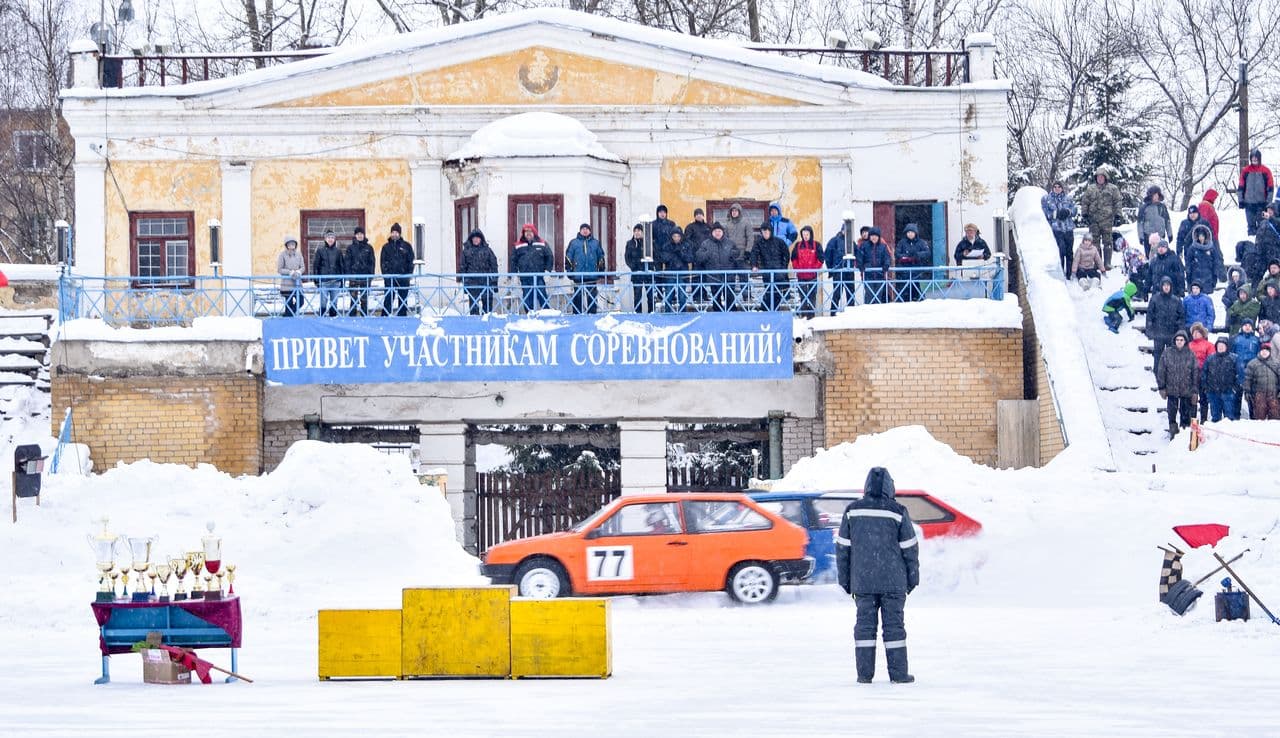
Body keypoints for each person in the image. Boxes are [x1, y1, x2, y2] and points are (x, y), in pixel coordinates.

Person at [836, 467, 920, 685]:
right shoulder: (897, 511)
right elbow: (910, 548)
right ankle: (899, 675)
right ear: (890, 487)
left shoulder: (852, 511)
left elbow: (843, 549)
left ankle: (864, 675)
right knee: (894, 628)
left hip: (862, 582)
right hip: (894, 582)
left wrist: (845, 581)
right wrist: (912, 579)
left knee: (864, 627)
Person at [694, 222, 745, 311]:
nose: (717, 233)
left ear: (722, 232)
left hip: (728, 277)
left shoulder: (729, 243)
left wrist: (734, 254)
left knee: (730, 298)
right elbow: (698, 256)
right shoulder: (706, 243)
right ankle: (717, 318)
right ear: (712, 232)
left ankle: (731, 317)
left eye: (719, 231)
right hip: (713, 277)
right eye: (715, 231)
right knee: (716, 300)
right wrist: (707, 254)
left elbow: (737, 254)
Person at [1157, 330, 1199, 437]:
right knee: (1171, 413)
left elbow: (1195, 372)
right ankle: (1173, 432)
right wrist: (1161, 387)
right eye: (1177, 340)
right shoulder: (1167, 352)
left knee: (1185, 414)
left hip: (1186, 390)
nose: (1179, 342)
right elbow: (1161, 370)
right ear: (1174, 340)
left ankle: (1183, 434)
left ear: (1185, 341)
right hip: (1171, 390)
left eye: (1182, 340)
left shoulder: (1191, 354)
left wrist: (1195, 390)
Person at [1079, 169, 1122, 268]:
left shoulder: (1113, 189)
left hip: (1107, 220)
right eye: (1098, 177)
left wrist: (1118, 215)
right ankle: (1098, 263)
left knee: (1108, 242)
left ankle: (1107, 263)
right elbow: (1085, 202)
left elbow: (1118, 202)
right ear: (1096, 178)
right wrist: (1084, 214)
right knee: (1094, 242)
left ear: (1105, 178)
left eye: (1102, 177)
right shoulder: (1090, 189)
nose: (1100, 178)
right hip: (1093, 220)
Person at [1147, 276, 1185, 373]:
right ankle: (1157, 372)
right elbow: (1150, 316)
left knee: (1171, 355)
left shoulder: (1176, 300)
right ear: (1161, 286)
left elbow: (1181, 317)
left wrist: (1180, 331)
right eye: (1164, 285)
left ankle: (1170, 372)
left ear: (1171, 286)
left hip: (1172, 333)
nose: (1166, 287)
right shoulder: (1155, 299)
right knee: (1158, 355)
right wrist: (1150, 330)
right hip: (1158, 332)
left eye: (1168, 285)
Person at [512, 223, 553, 313]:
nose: (528, 233)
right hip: (525, 277)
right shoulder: (518, 245)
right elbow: (513, 261)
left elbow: (549, 257)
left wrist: (548, 271)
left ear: (534, 232)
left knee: (543, 297)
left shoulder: (542, 243)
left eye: (530, 231)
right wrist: (514, 274)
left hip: (539, 277)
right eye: (526, 231)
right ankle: (529, 317)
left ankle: (547, 316)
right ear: (523, 233)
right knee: (527, 299)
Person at [565, 223, 605, 315]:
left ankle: (592, 315)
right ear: (580, 230)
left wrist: (601, 271)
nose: (585, 230)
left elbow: (601, 257)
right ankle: (577, 315)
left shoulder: (595, 243)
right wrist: (569, 272)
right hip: (578, 275)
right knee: (578, 297)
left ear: (590, 231)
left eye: (587, 228)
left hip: (592, 276)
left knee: (592, 297)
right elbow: (568, 257)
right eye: (583, 228)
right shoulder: (574, 242)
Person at [751, 223, 791, 311]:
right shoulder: (759, 243)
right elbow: (754, 254)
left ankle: (773, 310)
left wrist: (783, 268)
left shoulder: (779, 241)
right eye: (763, 232)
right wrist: (754, 265)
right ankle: (767, 310)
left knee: (778, 293)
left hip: (779, 272)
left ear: (770, 231)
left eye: (766, 232)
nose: (765, 234)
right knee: (769, 292)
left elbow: (786, 255)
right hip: (767, 272)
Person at [1041, 181, 1077, 276]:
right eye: (1055, 187)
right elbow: (1045, 213)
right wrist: (1055, 214)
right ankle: (1060, 273)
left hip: (1068, 228)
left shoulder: (1068, 198)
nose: (1057, 189)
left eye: (1059, 187)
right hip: (1057, 229)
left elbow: (1074, 210)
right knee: (1061, 251)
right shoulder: (1047, 199)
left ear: (1062, 188)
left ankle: (1069, 274)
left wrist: (1068, 212)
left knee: (1069, 251)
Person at [459, 228, 498, 315]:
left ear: (481, 239)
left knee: (487, 306)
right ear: (471, 239)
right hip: (472, 282)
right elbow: (462, 266)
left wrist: (494, 281)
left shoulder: (487, 250)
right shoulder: (466, 251)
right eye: (474, 237)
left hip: (486, 281)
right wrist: (463, 280)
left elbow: (494, 265)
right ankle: (474, 324)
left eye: (478, 237)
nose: (476, 239)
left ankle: (487, 323)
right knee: (473, 307)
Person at [380, 223, 415, 317]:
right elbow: (383, 262)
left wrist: (408, 275)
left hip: (403, 278)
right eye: (393, 232)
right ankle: (385, 317)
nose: (394, 234)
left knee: (403, 299)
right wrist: (386, 276)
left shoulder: (407, 246)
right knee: (388, 298)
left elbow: (411, 261)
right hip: (390, 278)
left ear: (399, 234)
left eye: (396, 232)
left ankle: (402, 317)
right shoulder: (386, 247)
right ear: (391, 233)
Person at [826, 225, 863, 314]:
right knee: (837, 293)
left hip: (849, 271)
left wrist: (860, 264)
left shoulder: (851, 242)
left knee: (851, 293)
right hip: (838, 271)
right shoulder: (834, 241)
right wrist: (831, 269)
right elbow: (827, 255)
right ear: (842, 230)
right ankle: (833, 312)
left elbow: (857, 254)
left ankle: (850, 313)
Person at [1202, 337, 1240, 422]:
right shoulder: (1210, 358)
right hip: (1213, 392)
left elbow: (1239, 375)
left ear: (1227, 346)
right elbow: (1204, 373)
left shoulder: (1234, 358)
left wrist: (1235, 388)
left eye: (1223, 345)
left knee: (1229, 417)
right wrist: (1206, 388)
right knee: (1215, 416)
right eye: (1219, 345)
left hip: (1228, 392)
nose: (1221, 347)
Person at [310, 229, 347, 317]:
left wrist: (343, 280)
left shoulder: (338, 251)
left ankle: (332, 318)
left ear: (335, 239)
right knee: (323, 302)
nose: (330, 239)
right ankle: (322, 319)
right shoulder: (320, 251)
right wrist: (316, 280)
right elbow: (316, 266)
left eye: (332, 237)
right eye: (328, 237)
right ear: (325, 239)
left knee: (334, 302)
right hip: (324, 281)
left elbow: (342, 266)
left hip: (336, 281)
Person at [1239, 149, 1274, 235]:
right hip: (1249, 204)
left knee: (1262, 227)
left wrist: (1268, 203)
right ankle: (1252, 245)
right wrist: (1240, 200)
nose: (1254, 160)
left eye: (1256, 158)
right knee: (1251, 227)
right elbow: (1241, 187)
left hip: (1261, 204)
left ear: (1259, 158)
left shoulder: (1266, 171)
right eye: (1252, 158)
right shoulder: (1245, 171)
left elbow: (1270, 188)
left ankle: (1261, 246)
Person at [791, 226, 824, 318]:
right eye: (803, 234)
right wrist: (798, 268)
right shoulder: (798, 245)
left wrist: (814, 268)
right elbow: (793, 258)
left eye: (807, 234)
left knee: (812, 295)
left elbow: (821, 259)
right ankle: (804, 315)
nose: (805, 236)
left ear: (811, 234)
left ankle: (811, 315)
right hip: (801, 276)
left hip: (812, 276)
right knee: (803, 296)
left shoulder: (816, 245)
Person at [894, 223, 932, 302]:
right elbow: (897, 254)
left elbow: (928, 253)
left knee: (917, 291)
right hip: (904, 271)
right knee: (903, 291)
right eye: (908, 232)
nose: (910, 234)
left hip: (917, 271)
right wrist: (907, 256)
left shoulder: (921, 242)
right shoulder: (902, 243)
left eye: (912, 232)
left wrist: (917, 255)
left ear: (915, 233)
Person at [1231, 321, 1262, 418]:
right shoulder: (1235, 339)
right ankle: (1236, 418)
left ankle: (1253, 417)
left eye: (1249, 325)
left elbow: (1260, 355)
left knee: (1251, 398)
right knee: (1236, 398)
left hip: (1252, 373)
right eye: (1245, 325)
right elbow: (1231, 354)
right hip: (1238, 372)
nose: (1247, 327)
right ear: (1242, 326)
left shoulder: (1256, 340)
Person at [1242, 343, 1280, 420]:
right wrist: (1247, 392)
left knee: (1275, 417)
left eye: (1266, 350)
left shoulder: (1276, 363)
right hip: (1259, 395)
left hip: (1273, 394)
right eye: (1263, 350)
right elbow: (1248, 379)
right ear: (1259, 351)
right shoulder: (1252, 364)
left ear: (1270, 352)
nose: (1264, 352)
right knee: (1259, 417)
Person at [624, 224, 655, 313]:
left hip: (648, 272)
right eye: (635, 231)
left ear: (643, 232)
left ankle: (651, 313)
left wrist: (651, 267)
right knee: (637, 295)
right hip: (637, 273)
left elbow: (654, 255)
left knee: (650, 295)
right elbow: (627, 257)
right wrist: (634, 267)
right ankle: (638, 313)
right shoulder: (630, 243)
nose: (637, 233)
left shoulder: (648, 242)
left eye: (639, 231)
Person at [1183, 224, 1222, 295]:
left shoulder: (1211, 248)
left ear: (1206, 236)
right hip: (1195, 277)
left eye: (1202, 236)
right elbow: (1188, 263)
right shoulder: (1192, 248)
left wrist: (1215, 277)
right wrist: (1188, 276)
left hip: (1208, 278)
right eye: (1199, 236)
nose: (1201, 238)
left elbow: (1216, 262)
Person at [657, 228, 690, 312]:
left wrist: (681, 253)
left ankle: (683, 312)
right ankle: (668, 312)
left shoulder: (686, 245)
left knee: (682, 296)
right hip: (670, 273)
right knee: (669, 295)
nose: (676, 238)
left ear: (681, 237)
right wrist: (672, 254)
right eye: (674, 236)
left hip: (682, 274)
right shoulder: (666, 246)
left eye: (678, 236)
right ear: (671, 237)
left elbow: (690, 258)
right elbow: (663, 258)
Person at [346, 226, 376, 317]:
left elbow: (372, 262)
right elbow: (347, 262)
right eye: (358, 234)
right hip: (354, 277)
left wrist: (370, 276)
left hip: (365, 277)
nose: (360, 236)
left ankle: (364, 316)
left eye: (361, 234)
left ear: (364, 235)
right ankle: (352, 317)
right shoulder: (350, 248)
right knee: (353, 299)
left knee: (364, 299)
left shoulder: (369, 247)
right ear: (355, 235)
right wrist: (349, 275)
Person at [1187, 323, 1214, 422]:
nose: (1195, 334)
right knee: (1192, 398)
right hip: (1191, 375)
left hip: (1204, 374)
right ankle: (1192, 419)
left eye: (1197, 332)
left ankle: (1204, 419)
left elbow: (1211, 360)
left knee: (1204, 399)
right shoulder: (1189, 345)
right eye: (1194, 332)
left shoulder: (1209, 345)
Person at [859, 227, 893, 304]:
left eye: (876, 236)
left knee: (878, 296)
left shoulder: (883, 246)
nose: (874, 237)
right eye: (872, 236)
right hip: (868, 275)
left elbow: (887, 257)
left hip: (879, 275)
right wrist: (861, 266)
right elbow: (860, 257)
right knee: (869, 296)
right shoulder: (864, 246)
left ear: (879, 237)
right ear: (869, 236)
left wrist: (886, 265)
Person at [276, 236, 305, 317]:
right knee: (288, 304)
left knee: (301, 301)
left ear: (296, 245)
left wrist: (299, 272)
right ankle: (289, 318)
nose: (291, 245)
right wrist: (290, 272)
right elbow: (279, 269)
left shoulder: (299, 254)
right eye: (289, 244)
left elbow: (303, 267)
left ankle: (288, 316)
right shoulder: (282, 255)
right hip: (287, 284)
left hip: (297, 284)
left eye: (293, 244)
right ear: (286, 245)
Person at [1122, 235, 1150, 299]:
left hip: (1142, 268)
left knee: (1134, 277)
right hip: (1144, 266)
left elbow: (1133, 265)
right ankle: (1139, 292)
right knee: (1133, 276)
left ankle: (1141, 293)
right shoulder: (1131, 250)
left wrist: (1129, 276)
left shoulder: (1127, 252)